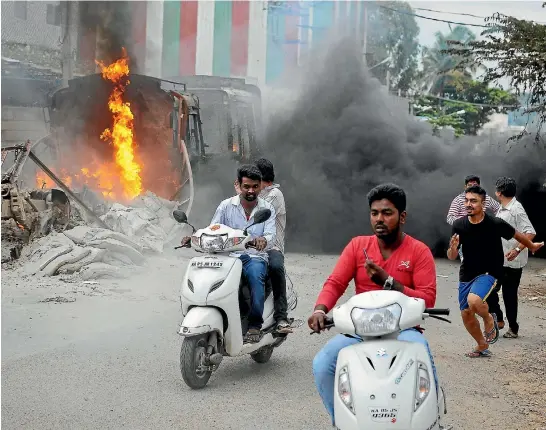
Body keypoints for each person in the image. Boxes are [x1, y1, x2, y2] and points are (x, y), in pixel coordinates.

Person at [309, 184, 438, 426]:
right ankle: (343, 422)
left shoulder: (419, 251)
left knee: (423, 364)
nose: (379, 219)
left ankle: (431, 421)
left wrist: (388, 282)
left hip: (404, 331)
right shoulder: (358, 246)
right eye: (374, 213)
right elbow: (335, 282)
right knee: (323, 364)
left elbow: (426, 300)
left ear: (402, 217)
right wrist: (320, 310)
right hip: (360, 331)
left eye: (387, 213)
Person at [183, 165, 277, 344]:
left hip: (253, 256)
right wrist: (194, 237)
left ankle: (254, 325)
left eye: (255, 186)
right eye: (246, 186)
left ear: (260, 186)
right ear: (239, 185)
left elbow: (271, 235)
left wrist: (262, 240)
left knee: (256, 278)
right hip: (227, 256)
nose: (251, 190)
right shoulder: (226, 206)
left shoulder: (267, 209)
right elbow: (213, 229)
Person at [447, 185, 543, 358]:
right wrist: (452, 249)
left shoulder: (495, 223)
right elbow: (452, 256)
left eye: (473, 201)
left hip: (490, 272)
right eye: (466, 200)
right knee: (466, 314)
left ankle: (489, 318)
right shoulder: (459, 225)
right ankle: (482, 345)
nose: (468, 204)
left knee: (474, 301)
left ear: (483, 204)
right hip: (467, 273)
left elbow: (518, 235)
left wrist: (532, 246)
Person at [492, 177, 536, 339]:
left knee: (509, 294)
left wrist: (517, 249)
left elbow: (530, 232)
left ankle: (513, 327)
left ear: (499, 192)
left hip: (512, 262)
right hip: (500, 259)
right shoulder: (503, 208)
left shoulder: (516, 209)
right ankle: (499, 318)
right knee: (491, 290)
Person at [255, 158, 292, 334]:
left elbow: (260, 212)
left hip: (271, 247)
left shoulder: (274, 195)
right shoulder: (254, 194)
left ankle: (281, 317)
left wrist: (240, 194)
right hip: (249, 247)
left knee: (276, 267)